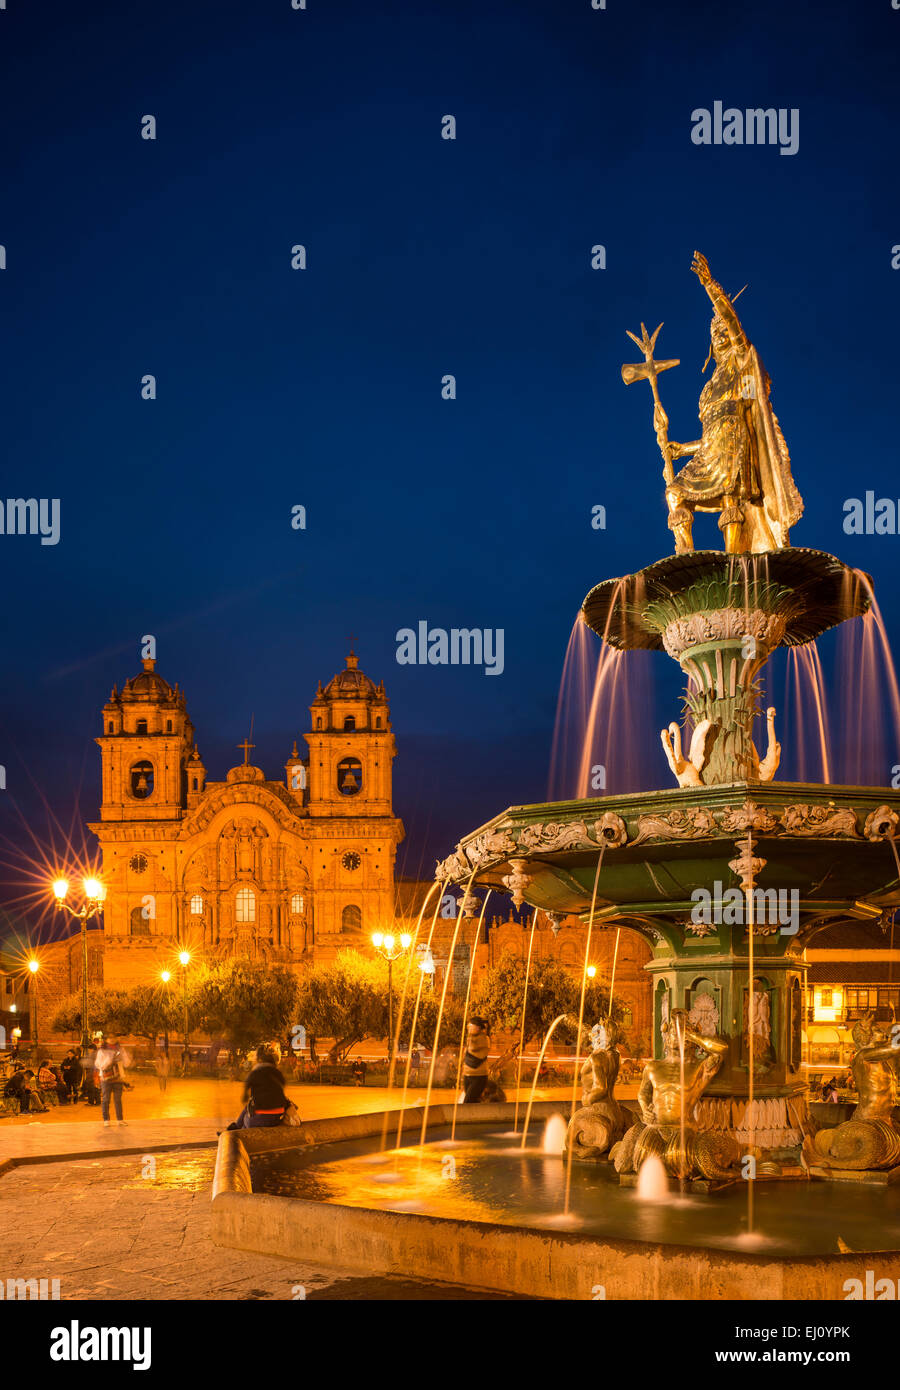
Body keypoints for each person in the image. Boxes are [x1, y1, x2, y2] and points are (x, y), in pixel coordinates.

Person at [226, 1043, 293, 1130]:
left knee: (247, 1120)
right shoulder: (277, 1073)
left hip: (259, 1119)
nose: (254, 1059)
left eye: (255, 1057)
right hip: (277, 1118)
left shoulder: (254, 1074)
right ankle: (234, 1131)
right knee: (249, 1108)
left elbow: (244, 1098)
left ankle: (232, 1133)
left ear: (259, 1059)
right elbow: (283, 1085)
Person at [95, 1032, 131, 1127]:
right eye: (109, 1038)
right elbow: (98, 1064)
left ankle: (120, 1120)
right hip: (106, 1078)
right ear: (106, 1040)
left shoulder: (120, 1049)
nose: (112, 1039)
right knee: (106, 1099)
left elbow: (126, 1063)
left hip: (118, 1078)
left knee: (118, 1100)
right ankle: (106, 1120)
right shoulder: (102, 1051)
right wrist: (109, 1060)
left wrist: (125, 1059)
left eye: (113, 1037)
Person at [461, 1017, 490, 1104]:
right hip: (467, 1075)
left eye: (471, 1026)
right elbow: (465, 1056)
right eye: (468, 1026)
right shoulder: (470, 1038)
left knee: (467, 1102)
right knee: (473, 1101)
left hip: (479, 1076)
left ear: (478, 1027)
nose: (469, 1028)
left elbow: (473, 1049)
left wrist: (470, 1039)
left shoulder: (483, 1038)